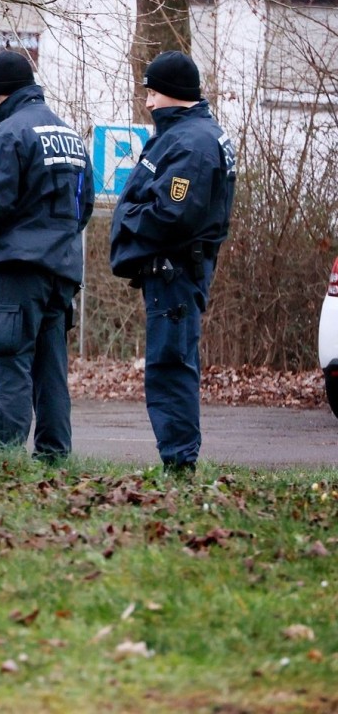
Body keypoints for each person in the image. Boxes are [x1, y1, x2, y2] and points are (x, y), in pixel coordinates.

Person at [110, 52, 236, 474]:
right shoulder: (187, 135)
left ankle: (179, 464)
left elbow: (170, 213)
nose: (148, 102)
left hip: (176, 272)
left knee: (170, 366)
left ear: (174, 94)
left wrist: (126, 216)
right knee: (172, 363)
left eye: (153, 92)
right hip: (175, 271)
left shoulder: (192, 144)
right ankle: (178, 459)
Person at [0, 50, 95, 461]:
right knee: (50, 371)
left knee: (8, 362)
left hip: (14, 271)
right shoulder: (71, 137)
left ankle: (5, 457)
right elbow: (84, 207)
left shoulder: (4, 137)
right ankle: (54, 456)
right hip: (61, 273)